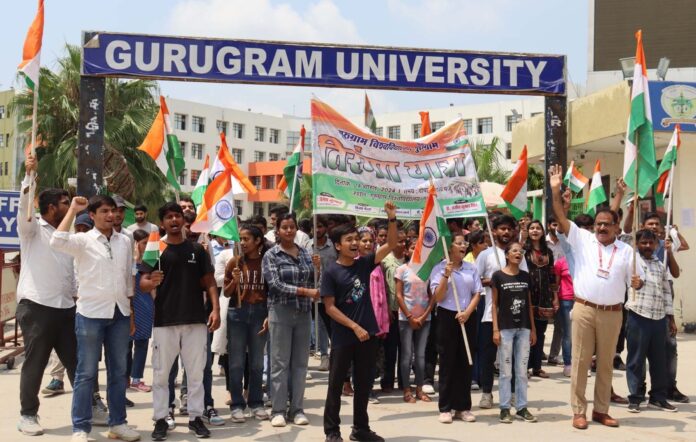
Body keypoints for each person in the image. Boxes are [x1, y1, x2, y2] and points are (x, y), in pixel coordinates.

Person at [549, 164, 643, 430]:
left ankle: (601, 410)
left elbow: (633, 281)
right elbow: (559, 215)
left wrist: (638, 281)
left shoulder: (626, 250)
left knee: (605, 364)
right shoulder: (582, 239)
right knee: (579, 362)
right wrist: (555, 190)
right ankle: (579, 411)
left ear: (615, 227)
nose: (601, 227)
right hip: (584, 310)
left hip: (613, 313)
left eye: (607, 224)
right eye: (598, 224)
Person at [50, 195, 139, 442]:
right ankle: (80, 428)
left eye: (113, 211)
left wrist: (130, 311)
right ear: (93, 215)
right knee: (86, 374)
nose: (111, 215)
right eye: (104, 211)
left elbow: (126, 278)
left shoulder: (124, 241)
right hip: (90, 314)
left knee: (119, 372)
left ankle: (118, 424)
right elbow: (56, 240)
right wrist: (73, 210)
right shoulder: (82, 240)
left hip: (119, 313)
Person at [139, 202, 221, 441]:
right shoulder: (155, 248)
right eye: (169, 217)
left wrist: (215, 309)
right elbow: (143, 283)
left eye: (177, 216)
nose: (174, 220)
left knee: (196, 373)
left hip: (196, 319)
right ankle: (161, 419)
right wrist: (151, 281)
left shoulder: (197, 249)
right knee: (162, 375)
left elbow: (209, 282)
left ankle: (196, 418)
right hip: (165, 320)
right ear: (162, 222)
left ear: (184, 221)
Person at [321, 201, 397, 442]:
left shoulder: (365, 263)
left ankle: (360, 430)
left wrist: (392, 218)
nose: (355, 243)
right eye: (349, 240)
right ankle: (332, 432)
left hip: (369, 336)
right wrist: (354, 326)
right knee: (335, 386)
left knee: (364, 385)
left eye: (356, 239)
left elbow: (392, 244)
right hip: (345, 337)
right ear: (337, 245)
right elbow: (330, 308)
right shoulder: (331, 271)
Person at [16, 154, 77, 437]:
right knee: (36, 362)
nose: (70, 206)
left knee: (78, 362)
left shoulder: (67, 233)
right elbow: (24, 208)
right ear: (51, 207)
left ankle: (90, 406)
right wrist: (29, 177)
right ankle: (28, 414)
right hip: (37, 307)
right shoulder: (32, 228)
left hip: (66, 308)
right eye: (65, 203)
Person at [262, 212, 320, 427]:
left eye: (291, 227)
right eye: (284, 227)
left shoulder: (305, 253)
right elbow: (275, 284)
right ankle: (277, 409)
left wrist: (318, 268)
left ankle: (297, 408)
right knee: (279, 363)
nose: (288, 230)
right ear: (277, 230)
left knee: (300, 364)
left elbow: (315, 284)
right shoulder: (272, 255)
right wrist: (304, 291)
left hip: (303, 314)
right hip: (280, 312)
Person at [475, 215, 528, 410]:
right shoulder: (485, 255)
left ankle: (512, 394)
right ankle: (487, 394)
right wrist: (492, 281)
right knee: (488, 357)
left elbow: (524, 280)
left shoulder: (517, 253)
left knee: (512, 359)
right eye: (501, 229)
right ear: (494, 231)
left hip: (514, 316)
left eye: (508, 229)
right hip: (491, 315)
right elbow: (475, 281)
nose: (505, 232)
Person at [624, 229, 678, 413]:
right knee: (636, 360)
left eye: (650, 243)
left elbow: (666, 293)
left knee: (659, 361)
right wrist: (635, 282)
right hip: (638, 316)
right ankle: (636, 397)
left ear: (656, 244)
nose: (647, 246)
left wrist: (670, 318)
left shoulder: (660, 265)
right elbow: (631, 281)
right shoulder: (632, 261)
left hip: (658, 318)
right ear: (637, 244)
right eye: (643, 243)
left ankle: (658, 398)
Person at [431, 232, 481, 424]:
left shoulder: (471, 268)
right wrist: (446, 275)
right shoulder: (439, 268)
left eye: (464, 243)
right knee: (447, 361)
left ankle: (463, 407)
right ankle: (445, 407)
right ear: (449, 247)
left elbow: (477, 292)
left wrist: (467, 312)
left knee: (465, 361)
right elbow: (438, 297)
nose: (463, 246)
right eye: (459, 243)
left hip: (467, 316)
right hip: (447, 316)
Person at [224, 225, 271, 422]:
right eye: (240, 239)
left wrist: (269, 315)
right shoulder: (235, 262)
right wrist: (234, 281)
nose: (242, 243)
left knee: (257, 362)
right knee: (236, 362)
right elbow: (226, 293)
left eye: (246, 239)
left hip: (260, 313)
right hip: (237, 313)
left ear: (258, 241)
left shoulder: (267, 262)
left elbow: (271, 292)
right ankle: (236, 404)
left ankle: (256, 403)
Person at [491, 242, 537, 423]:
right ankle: (504, 408)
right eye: (514, 250)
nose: (518, 253)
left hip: (524, 328)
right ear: (507, 255)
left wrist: (532, 328)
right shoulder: (498, 276)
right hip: (505, 329)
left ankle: (522, 407)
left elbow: (529, 303)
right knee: (505, 371)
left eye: (521, 251)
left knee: (522, 371)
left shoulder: (526, 276)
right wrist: (495, 329)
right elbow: (494, 304)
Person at [395, 241, 435, 403]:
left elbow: (432, 296)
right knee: (406, 356)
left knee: (420, 356)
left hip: (425, 318)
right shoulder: (402, 270)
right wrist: (410, 317)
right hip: (406, 319)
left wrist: (425, 315)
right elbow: (398, 295)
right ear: (407, 251)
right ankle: (406, 389)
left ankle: (419, 388)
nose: (416, 251)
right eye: (413, 248)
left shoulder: (428, 270)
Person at [524, 220, 558, 379]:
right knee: (526, 332)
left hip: (544, 297)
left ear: (543, 232)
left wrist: (555, 297)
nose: (535, 230)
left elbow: (551, 275)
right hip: (527, 295)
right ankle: (524, 366)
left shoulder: (548, 252)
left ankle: (537, 367)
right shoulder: (523, 250)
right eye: (532, 228)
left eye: (538, 228)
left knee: (541, 332)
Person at [380, 229, 408, 393]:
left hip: (408, 311)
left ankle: (404, 382)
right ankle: (387, 381)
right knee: (390, 349)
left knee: (405, 349)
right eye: (399, 241)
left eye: (405, 241)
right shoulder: (384, 261)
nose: (403, 244)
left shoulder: (410, 260)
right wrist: (386, 309)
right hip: (391, 309)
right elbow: (382, 287)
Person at [128, 230, 154, 393]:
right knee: (125, 345)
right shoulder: (128, 262)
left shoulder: (151, 262)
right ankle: (124, 378)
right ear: (136, 244)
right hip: (130, 306)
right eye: (144, 243)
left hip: (146, 307)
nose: (147, 246)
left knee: (142, 343)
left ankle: (136, 378)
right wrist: (135, 259)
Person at [311, 215, 337, 372]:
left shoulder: (334, 246)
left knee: (334, 326)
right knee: (320, 326)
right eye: (315, 226)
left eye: (320, 226)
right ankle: (324, 356)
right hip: (316, 293)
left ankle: (336, 355)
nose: (317, 229)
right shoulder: (308, 246)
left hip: (334, 292)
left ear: (326, 228)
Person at [553, 254, 574, 377]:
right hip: (566, 299)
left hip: (583, 299)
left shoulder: (587, 260)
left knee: (583, 334)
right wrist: (555, 299)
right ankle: (568, 364)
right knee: (568, 333)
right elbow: (555, 284)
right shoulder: (561, 262)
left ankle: (582, 364)